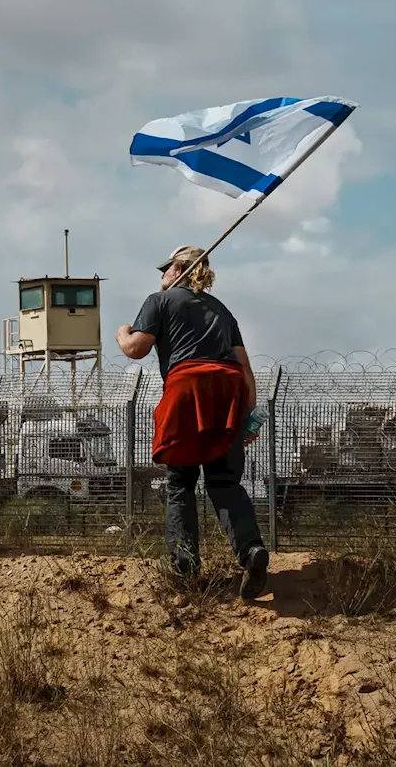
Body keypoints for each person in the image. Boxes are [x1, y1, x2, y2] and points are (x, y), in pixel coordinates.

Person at [116, 245, 270, 600]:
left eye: (166, 269)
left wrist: (123, 332)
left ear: (179, 271)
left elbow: (137, 349)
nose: (161, 276)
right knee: (225, 481)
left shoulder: (160, 300)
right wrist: (244, 419)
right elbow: (244, 368)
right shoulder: (223, 311)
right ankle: (251, 553)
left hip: (188, 387)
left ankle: (184, 561)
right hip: (229, 390)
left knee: (180, 482)